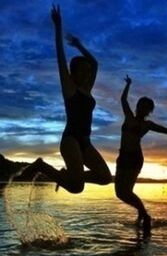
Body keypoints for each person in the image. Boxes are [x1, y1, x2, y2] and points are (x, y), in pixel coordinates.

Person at [13, 4, 112, 192]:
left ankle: (66, 175)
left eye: (87, 71)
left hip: (86, 141)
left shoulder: (87, 89)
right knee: (77, 187)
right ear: (74, 73)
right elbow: (60, 57)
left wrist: (79, 45)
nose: (86, 74)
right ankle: (42, 166)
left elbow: (95, 63)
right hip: (71, 140)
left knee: (105, 177)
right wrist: (58, 27)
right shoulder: (69, 88)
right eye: (82, 71)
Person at [115, 75, 167, 235]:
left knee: (127, 191)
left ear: (149, 111)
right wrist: (129, 84)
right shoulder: (128, 117)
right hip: (122, 157)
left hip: (135, 159)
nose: (143, 109)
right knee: (119, 192)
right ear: (138, 107)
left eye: (147, 107)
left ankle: (144, 215)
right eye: (141, 106)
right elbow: (123, 99)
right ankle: (142, 213)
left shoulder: (147, 124)